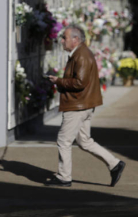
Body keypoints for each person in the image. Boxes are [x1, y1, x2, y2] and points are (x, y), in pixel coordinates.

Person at [45, 24, 125, 187]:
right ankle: (114, 164)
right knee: (85, 141)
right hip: (83, 105)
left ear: (75, 39)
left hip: (77, 105)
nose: (62, 41)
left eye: (65, 38)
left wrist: (58, 81)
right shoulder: (81, 53)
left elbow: (79, 82)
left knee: (63, 140)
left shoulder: (81, 55)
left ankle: (64, 177)